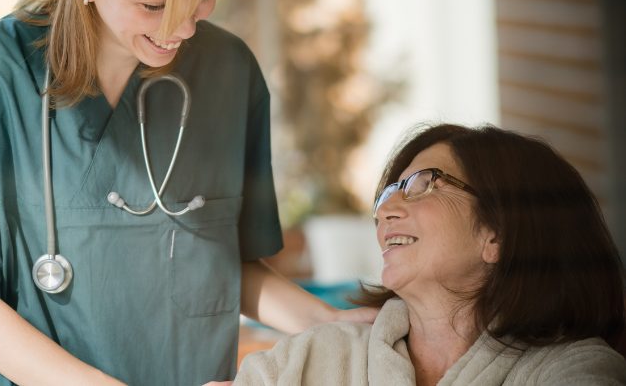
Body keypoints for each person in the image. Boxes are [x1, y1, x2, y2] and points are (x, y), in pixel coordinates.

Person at [0, 0, 374, 384]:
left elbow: (222, 261)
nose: (181, 28)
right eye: (154, 5)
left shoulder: (228, 72)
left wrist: (328, 323)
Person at [232, 123, 626, 385]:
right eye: (387, 193)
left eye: (423, 184)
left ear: (498, 235)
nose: (385, 211)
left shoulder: (577, 372)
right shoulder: (318, 354)